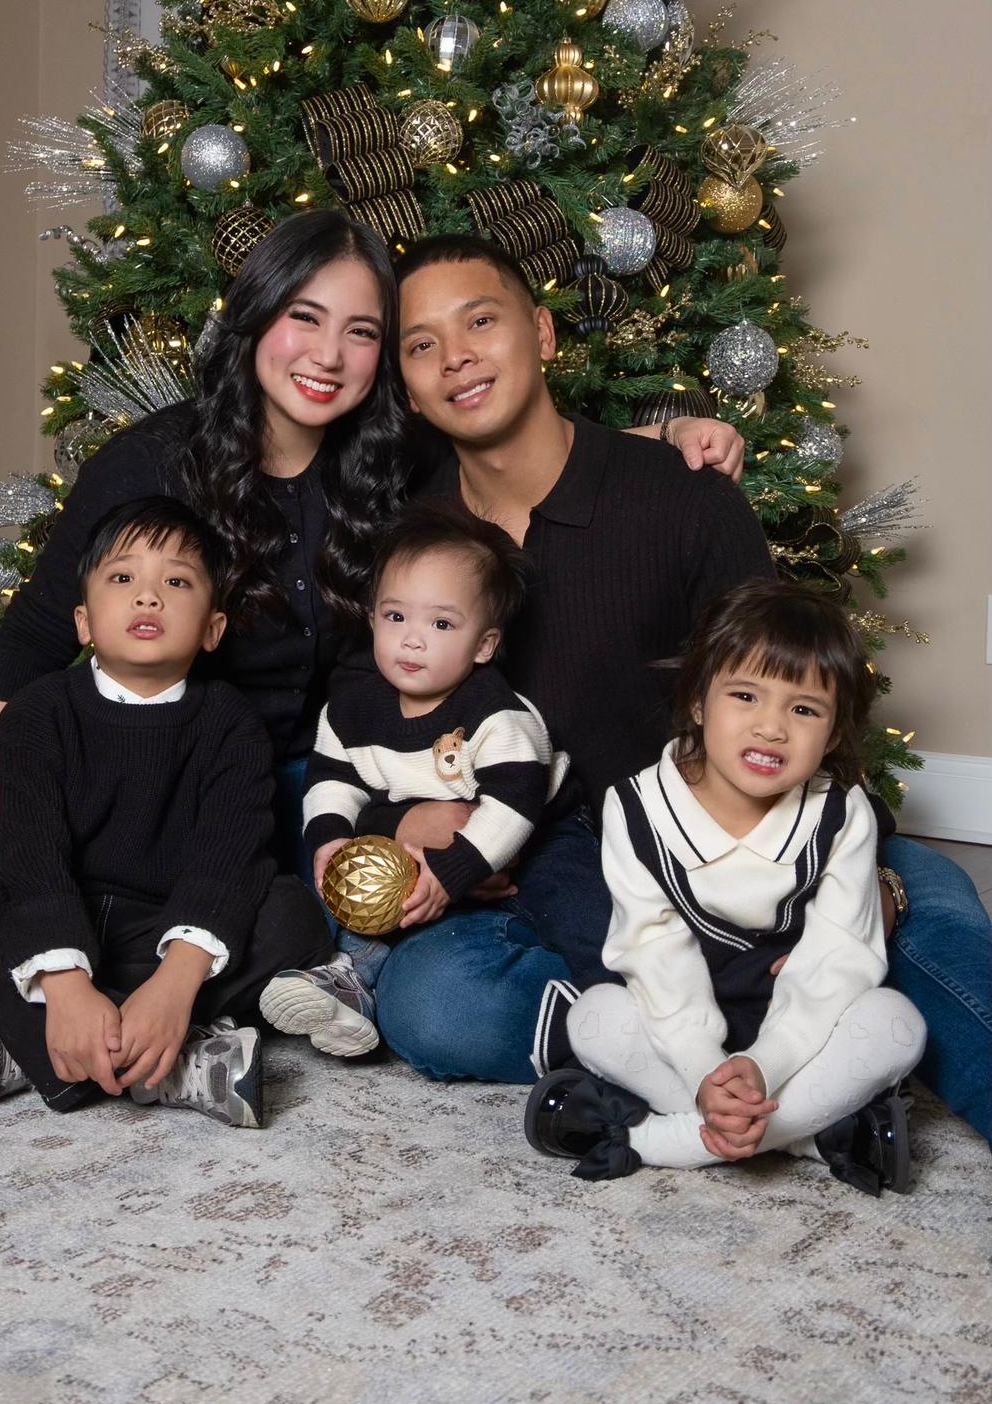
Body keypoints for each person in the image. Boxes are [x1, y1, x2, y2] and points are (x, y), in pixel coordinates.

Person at [0, 210, 736, 1035]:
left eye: (362, 332)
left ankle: (641, 996)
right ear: (256, 314)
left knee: (351, 929)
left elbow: (514, 447)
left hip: (335, 776)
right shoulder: (152, 463)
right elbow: (32, 642)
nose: (328, 356)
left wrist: (666, 436)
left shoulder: (391, 458)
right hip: (181, 776)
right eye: (305, 317)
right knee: (149, 924)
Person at [365, 234, 991, 1148]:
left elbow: (784, 688)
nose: (455, 356)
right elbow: (380, 712)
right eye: (422, 344)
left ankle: (729, 1052)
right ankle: (774, 1071)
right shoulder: (418, 535)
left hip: (744, 831)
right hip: (563, 871)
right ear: (408, 384)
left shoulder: (680, 495)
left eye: (481, 322)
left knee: (923, 915)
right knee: (434, 1004)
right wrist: (414, 818)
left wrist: (857, 872)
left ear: (542, 333)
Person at [0, 496, 361, 1127]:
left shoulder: (231, 724)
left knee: (292, 914)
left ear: (212, 629)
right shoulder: (36, 714)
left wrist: (175, 986)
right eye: (123, 577)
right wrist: (66, 986)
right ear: (83, 622)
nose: (148, 597)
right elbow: (30, 857)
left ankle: (37, 1042)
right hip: (56, 911)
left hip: (164, 929)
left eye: (176, 583)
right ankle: (159, 1060)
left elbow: (227, 859)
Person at [525, 580, 927, 1195]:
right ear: (697, 702)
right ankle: (812, 1136)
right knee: (594, 1017)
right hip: (680, 1031)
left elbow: (839, 959)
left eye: (804, 710)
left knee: (896, 1024)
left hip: (799, 1033)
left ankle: (656, 1141)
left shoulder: (842, 813)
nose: (771, 728)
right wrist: (705, 1073)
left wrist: (764, 1064)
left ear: (833, 735)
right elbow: (654, 955)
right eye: (745, 696)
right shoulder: (636, 807)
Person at [273, 502, 567, 1025]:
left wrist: (451, 874)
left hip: (535, 838)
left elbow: (513, 807)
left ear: (484, 645)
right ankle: (351, 978)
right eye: (395, 616)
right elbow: (332, 780)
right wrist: (330, 839)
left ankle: (610, 989)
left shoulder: (496, 715)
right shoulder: (350, 710)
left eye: (441, 623)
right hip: (420, 847)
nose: (412, 638)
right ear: (372, 619)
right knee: (330, 896)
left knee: (577, 911)